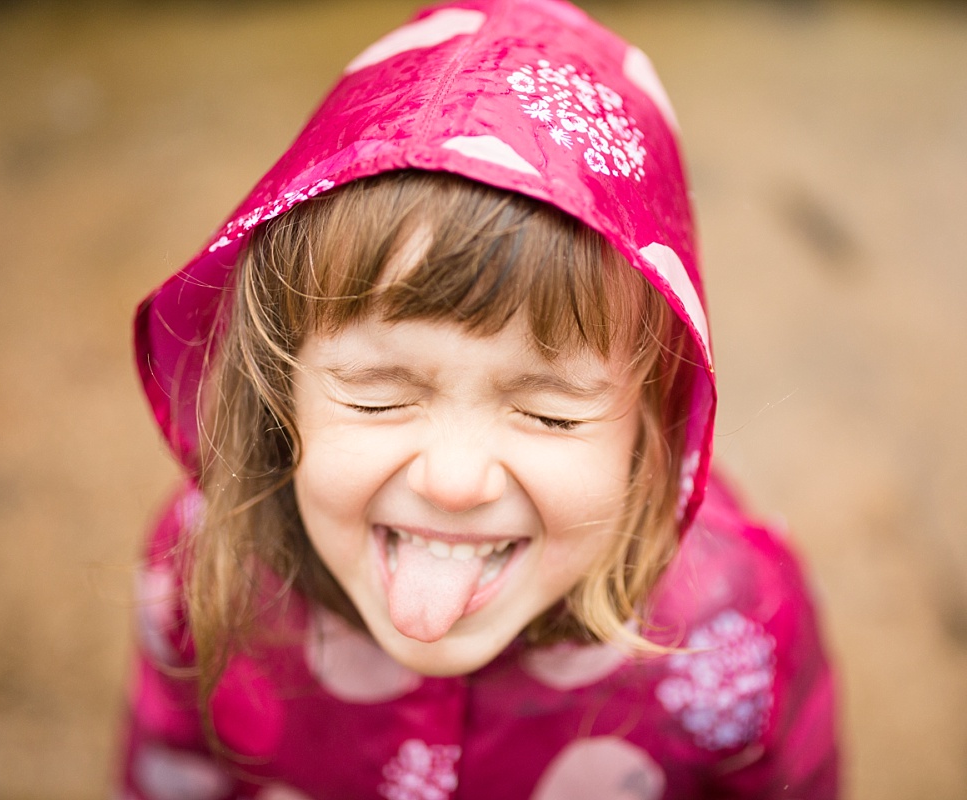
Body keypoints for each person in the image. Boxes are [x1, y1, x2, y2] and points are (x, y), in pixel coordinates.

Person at [122, 1, 838, 797]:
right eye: (377, 397)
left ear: (652, 424)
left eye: (550, 413)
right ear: (276, 389)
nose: (455, 482)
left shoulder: (735, 624)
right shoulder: (199, 573)